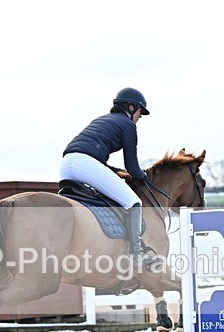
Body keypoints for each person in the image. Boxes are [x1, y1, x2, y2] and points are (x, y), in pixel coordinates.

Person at [61, 87, 157, 268]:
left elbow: (98, 162)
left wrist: (117, 171)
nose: (140, 117)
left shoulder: (103, 119)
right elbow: (133, 167)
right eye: (140, 112)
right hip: (85, 164)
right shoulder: (128, 125)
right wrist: (144, 177)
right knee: (134, 203)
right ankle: (137, 254)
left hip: (67, 165)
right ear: (131, 107)